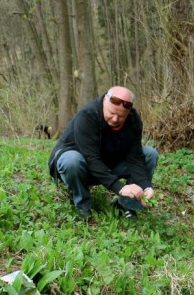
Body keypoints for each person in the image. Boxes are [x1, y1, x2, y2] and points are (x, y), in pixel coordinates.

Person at [48, 86, 158, 219]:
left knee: (150, 154)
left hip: (107, 164)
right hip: (80, 166)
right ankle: (83, 207)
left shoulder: (133, 120)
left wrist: (146, 186)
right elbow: (91, 159)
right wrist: (120, 188)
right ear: (105, 101)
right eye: (112, 113)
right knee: (72, 160)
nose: (115, 119)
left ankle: (126, 207)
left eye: (121, 116)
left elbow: (135, 157)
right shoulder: (88, 115)